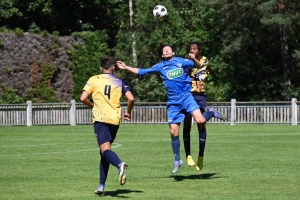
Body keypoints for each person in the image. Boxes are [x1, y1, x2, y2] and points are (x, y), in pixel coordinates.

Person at [117, 45, 225, 174]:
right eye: (164, 50)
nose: (166, 50)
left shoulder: (181, 61)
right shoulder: (160, 66)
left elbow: (197, 65)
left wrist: (194, 59)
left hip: (187, 98)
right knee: (174, 132)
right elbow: (142, 71)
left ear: (173, 52)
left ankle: (211, 112)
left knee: (201, 121)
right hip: (173, 103)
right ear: (163, 55)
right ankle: (177, 160)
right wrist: (126, 67)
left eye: (168, 49)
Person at [80, 57, 135, 196]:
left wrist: (92, 105)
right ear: (113, 67)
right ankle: (101, 186)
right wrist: (128, 112)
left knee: (105, 151)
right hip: (114, 120)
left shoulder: (94, 79)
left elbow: (82, 98)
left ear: (100, 68)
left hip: (100, 119)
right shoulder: (119, 81)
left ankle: (119, 165)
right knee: (104, 152)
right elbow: (131, 98)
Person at [183, 42, 225, 171]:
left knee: (201, 123)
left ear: (199, 50)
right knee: (187, 123)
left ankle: (201, 155)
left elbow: (201, 69)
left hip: (200, 96)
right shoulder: (186, 62)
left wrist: (201, 68)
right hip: (188, 95)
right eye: (190, 49)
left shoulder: (203, 60)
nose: (192, 51)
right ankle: (188, 154)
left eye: (194, 49)